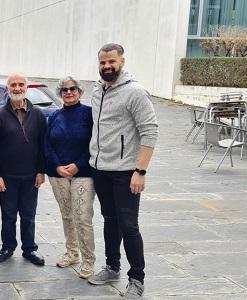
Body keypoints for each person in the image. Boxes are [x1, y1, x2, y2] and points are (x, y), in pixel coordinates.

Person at [87, 43, 158, 299]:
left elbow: (150, 132)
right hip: (100, 169)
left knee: (129, 226)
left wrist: (141, 170)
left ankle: (137, 278)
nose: (107, 66)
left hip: (126, 171)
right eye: (103, 63)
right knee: (109, 220)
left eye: (111, 62)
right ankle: (112, 266)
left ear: (122, 62)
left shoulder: (135, 92)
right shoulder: (97, 90)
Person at [0, 73, 47, 266]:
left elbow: (42, 145)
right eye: (13, 84)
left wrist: (41, 171)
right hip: (8, 177)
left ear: (26, 88)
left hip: (31, 176)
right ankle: (8, 247)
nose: (17, 88)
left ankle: (30, 249)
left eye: (21, 84)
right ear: (7, 88)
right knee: (9, 215)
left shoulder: (38, 114)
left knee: (29, 215)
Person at [43, 76, 96, 279]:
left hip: (83, 173)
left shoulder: (89, 114)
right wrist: (57, 166)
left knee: (83, 217)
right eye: (64, 90)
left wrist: (77, 165)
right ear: (60, 93)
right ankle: (72, 253)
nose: (69, 92)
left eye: (73, 89)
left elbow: (93, 143)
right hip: (58, 175)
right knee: (67, 215)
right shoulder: (54, 116)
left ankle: (88, 260)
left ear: (80, 92)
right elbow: (47, 144)